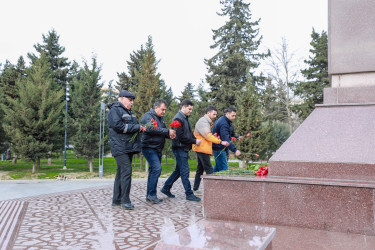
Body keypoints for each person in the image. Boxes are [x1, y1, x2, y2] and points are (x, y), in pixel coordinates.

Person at [107, 90, 146, 210]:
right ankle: (125, 200)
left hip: (127, 147)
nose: (132, 102)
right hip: (119, 147)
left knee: (121, 173)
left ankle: (116, 200)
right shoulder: (115, 110)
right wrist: (136, 127)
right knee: (127, 171)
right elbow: (118, 126)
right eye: (130, 100)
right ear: (122, 98)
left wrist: (140, 128)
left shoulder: (129, 112)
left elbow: (132, 126)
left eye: (133, 100)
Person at [160, 100, 202, 202]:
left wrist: (194, 140)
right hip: (179, 148)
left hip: (183, 148)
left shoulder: (185, 118)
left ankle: (166, 188)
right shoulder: (178, 118)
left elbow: (189, 133)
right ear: (183, 107)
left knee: (179, 170)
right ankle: (189, 194)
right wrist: (194, 140)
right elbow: (180, 137)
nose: (190, 111)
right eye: (189, 109)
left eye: (191, 109)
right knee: (184, 171)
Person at [141, 99, 176, 204]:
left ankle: (149, 195)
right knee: (157, 169)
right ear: (156, 107)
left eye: (165, 110)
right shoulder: (148, 116)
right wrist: (167, 131)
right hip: (148, 147)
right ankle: (152, 194)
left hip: (157, 148)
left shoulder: (161, 118)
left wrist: (170, 135)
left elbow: (162, 131)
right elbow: (151, 129)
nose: (164, 112)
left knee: (153, 171)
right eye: (162, 109)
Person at [192, 106, 229, 195]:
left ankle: (195, 189)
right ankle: (212, 190)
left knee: (200, 169)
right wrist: (221, 142)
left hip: (202, 148)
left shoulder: (207, 122)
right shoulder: (203, 122)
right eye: (214, 114)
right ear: (208, 113)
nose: (215, 116)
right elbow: (208, 136)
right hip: (202, 148)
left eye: (216, 114)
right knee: (209, 169)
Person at [212, 107, 241, 172]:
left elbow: (231, 133)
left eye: (235, 115)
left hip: (224, 147)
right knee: (224, 169)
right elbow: (226, 139)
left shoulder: (228, 121)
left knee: (218, 167)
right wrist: (235, 150)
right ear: (227, 114)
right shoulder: (223, 123)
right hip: (218, 148)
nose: (234, 117)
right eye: (232, 115)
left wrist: (237, 137)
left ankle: (210, 181)